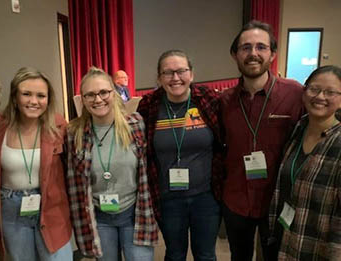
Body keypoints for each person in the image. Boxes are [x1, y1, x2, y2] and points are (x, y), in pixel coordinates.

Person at [219, 20, 304, 261]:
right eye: (245, 47)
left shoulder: (295, 94)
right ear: (235, 55)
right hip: (236, 199)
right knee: (239, 257)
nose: (253, 53)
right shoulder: (224, 101)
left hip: (277, 201)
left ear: (273, 54)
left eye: (260, 47)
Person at [137, 49, 223, 261]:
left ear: (191, 74)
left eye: (181, 71)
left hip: (206, 197)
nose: (175, 78)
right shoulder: (149, 106)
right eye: (168, 72)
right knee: (174, 254)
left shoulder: (209, 100)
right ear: (159, 78)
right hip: (168, 199)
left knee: (206, 254)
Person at [66, 67, 158, 260]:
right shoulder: (74, 133)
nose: (97, 99)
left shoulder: (136, 124)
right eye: (90, 95)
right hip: (99, 218)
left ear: (114, 93)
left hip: (135, 214)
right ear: (82, 99)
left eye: (103, 92)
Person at [0, 67, 73, 260]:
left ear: (48, 99)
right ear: (15, 98)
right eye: (26, 94)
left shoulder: (59, 126)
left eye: (41, 95)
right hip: (12, 210)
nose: (34, 101)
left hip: (52, 208)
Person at [269, 65, 341, 260]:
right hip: (287, 237)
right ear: (304, 91)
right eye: (314, 89)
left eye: (330, 92)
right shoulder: (298, 128)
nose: (320, 97)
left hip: (319, 247)